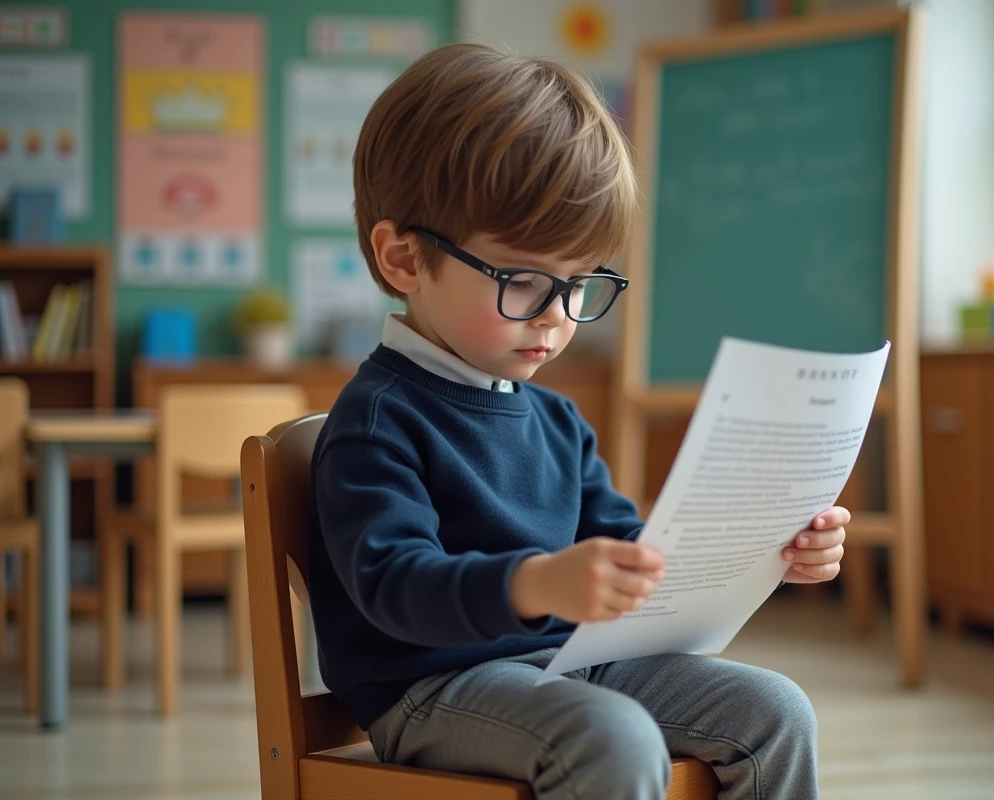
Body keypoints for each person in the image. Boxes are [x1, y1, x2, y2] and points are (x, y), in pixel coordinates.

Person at [308, 42, 849, 800]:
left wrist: (770, 552)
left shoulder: (557, 420)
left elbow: (630, 555)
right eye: (524, 282)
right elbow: (396, 587)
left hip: (568, 667)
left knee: (775, 710)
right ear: (403, 260)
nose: (559, 319)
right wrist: (536, 584)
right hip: (433, 689)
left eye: (581, 284)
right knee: (614, 737)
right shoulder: (376, 422)